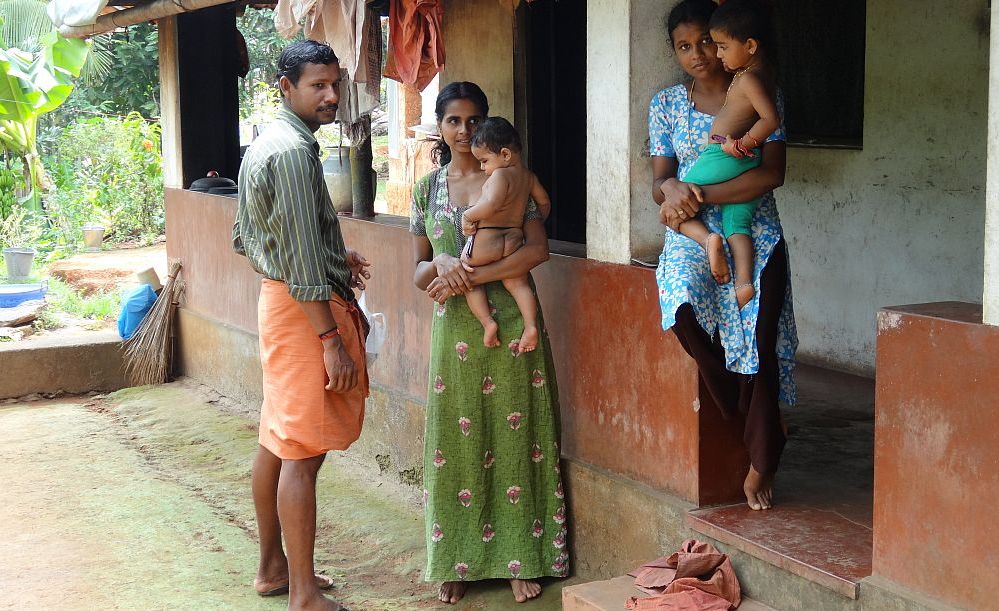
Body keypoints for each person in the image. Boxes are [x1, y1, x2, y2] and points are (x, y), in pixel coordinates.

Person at [410, 82, 568, 605]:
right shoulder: (426, 190)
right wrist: (442, 264)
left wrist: (474, 276)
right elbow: (418, 269)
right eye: (453, 121)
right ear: (439, 125)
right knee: (455, 445)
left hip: (512, 320)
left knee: (519, 436)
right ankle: (455, 557)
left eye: (473, 121)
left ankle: (523, 554)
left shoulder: (509, 179)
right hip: (455, 329)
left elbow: (538, 251)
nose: (463, 131)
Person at [233, 40, 372, 611]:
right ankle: (303, 594)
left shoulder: (269, 141)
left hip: (282, 301)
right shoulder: (292, 152)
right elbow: (298, 256)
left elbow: (248, 238)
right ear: (285, 86)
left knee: (277, 438)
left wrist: (337, 260)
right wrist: (330, 340)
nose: (331, 95)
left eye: (334, 83)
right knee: (301, 454)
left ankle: (273, 568)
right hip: (302, 314)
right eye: (317, 85)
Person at [649, 0, 797, 511]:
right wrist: (673, 192)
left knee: (756, 328)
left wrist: (703, 195)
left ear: (726, 42)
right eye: (684, 46)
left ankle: (761, 457)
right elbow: (660, 181)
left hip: (754, 228)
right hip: (692, 233)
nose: (698, 54)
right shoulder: (666, 104)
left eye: (707, 42)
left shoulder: (757, 91)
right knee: (685, 310)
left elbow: (772, 173)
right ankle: (755, 414)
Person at [674, 0, 780, 309]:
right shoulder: (761, 75)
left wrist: (743, 142)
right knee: (737, 224)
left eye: (721, 46)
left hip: (723, 158)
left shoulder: (747, 79)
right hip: (744, 162)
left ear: (749, 45)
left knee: (673, 206)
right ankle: (744, 282)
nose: (717, 55)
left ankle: (708, 240)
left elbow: (771, 120)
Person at [459, 116, 552, 353]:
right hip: (512, 239)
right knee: (517, 282)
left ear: (505, 154)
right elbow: (543, 203)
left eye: (484, 161)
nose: (482, 168)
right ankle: (530, 326)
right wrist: (530, 220)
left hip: (487, 238)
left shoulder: (500, 175)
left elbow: (491, 205)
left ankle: (487, 323)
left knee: (466, 275)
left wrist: (468, 216)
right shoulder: (529, 178)